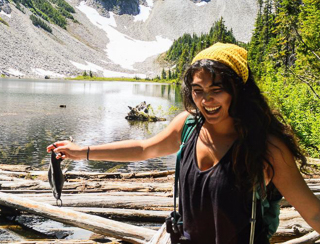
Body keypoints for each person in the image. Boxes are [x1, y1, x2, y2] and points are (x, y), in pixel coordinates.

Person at [47, 42, 320, 244]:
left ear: (239, 90)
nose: (206, 101)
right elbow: (144, 149)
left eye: (217, 90)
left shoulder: (265, 147)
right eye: (198, 91)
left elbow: (313, 213)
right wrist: (82, 152)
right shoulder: (188, 126)